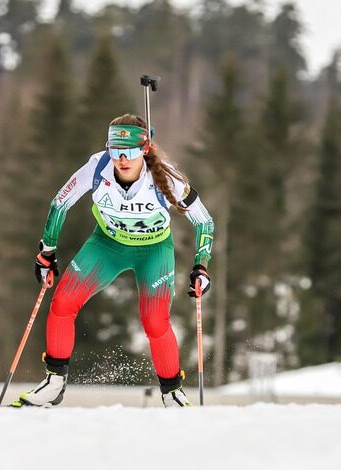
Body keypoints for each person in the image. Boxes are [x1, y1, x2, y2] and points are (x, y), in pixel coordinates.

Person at [12, 114, 214, 408]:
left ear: (144, 149)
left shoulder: (165, 178)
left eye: (129, 151)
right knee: (63, 302)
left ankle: (172, 393)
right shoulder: (98, 167)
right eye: (115, 150)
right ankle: (54, 384)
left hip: (153, 250)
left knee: (155, 320)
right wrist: (47, 251)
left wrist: (201, 266)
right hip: (108, 244)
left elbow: (204, 222)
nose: (121, 158)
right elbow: (60, 201)